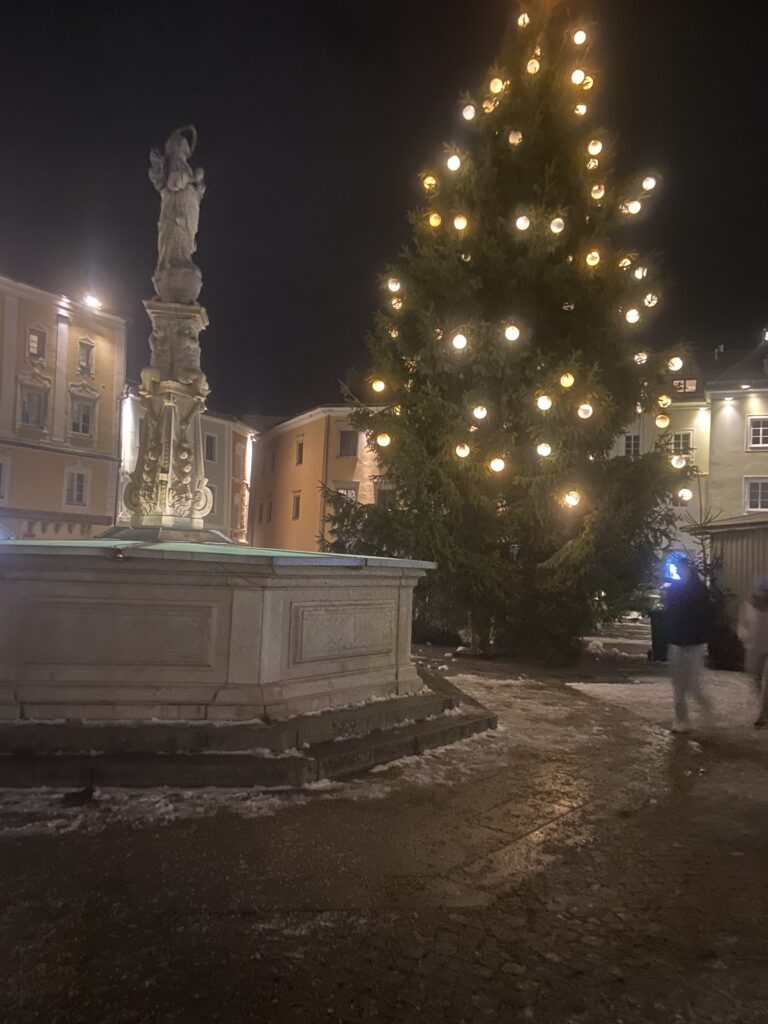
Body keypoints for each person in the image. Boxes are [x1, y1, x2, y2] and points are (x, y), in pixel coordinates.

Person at [663, 560, 715, 733]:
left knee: (692, 685)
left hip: (693, 643)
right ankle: (681, 719)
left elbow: (706, 615)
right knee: (678, 684)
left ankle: (706, 711)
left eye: (680, 569)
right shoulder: (677, 590)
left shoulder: (698, 590)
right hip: (678, 641)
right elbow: (669, 612)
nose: (679, 572)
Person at [736, 580, 768, 728]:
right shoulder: (747, 607)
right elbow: (742, 626)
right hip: (754, 649)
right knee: (756, 680)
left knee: (766, 684)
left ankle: (763, 716)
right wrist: (747, 638)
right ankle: (764, 708)